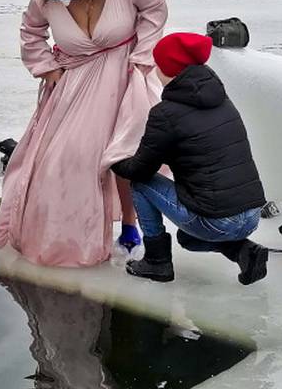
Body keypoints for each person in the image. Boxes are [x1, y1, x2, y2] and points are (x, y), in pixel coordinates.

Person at [0, 0, 168, 267]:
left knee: (126, 155)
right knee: (69, 159)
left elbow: (155, 9)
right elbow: (31, 32)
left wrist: (142, 57)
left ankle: (131, 223)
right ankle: (73, 237)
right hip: (74, 84)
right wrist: (48, 68)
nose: (62, 2)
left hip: (125, 77)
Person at [111, 32, 269, 285]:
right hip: (251, 215)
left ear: (168, 69)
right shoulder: (222, 101)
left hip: (217, 220)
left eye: (157, 65)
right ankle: (242, 251)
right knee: (188, 239)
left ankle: (156, 262)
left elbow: (141, 170)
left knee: (142, 185)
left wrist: (113, 160)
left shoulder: (165, 113)